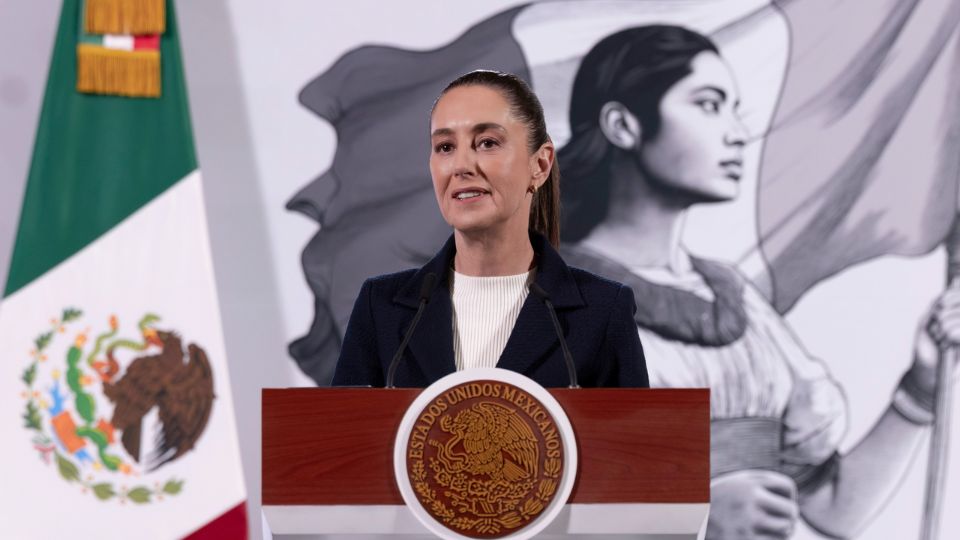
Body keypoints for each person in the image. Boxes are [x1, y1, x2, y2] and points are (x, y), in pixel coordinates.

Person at [558, 25, 960, 540]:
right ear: (623, 125)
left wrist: (920, 387)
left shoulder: (736, 300)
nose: (735, 131)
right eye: (708, 104)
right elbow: (493, 508)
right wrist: (693, 517)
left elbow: (833, 509)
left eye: (734, 108)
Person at [332, 70, 649, 389]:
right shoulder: (381, 308)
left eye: (486, 143)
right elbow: (340, 437)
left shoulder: (603, 310)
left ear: (539, 165)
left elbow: (634, 439)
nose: (461, 166)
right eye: (445, 147)